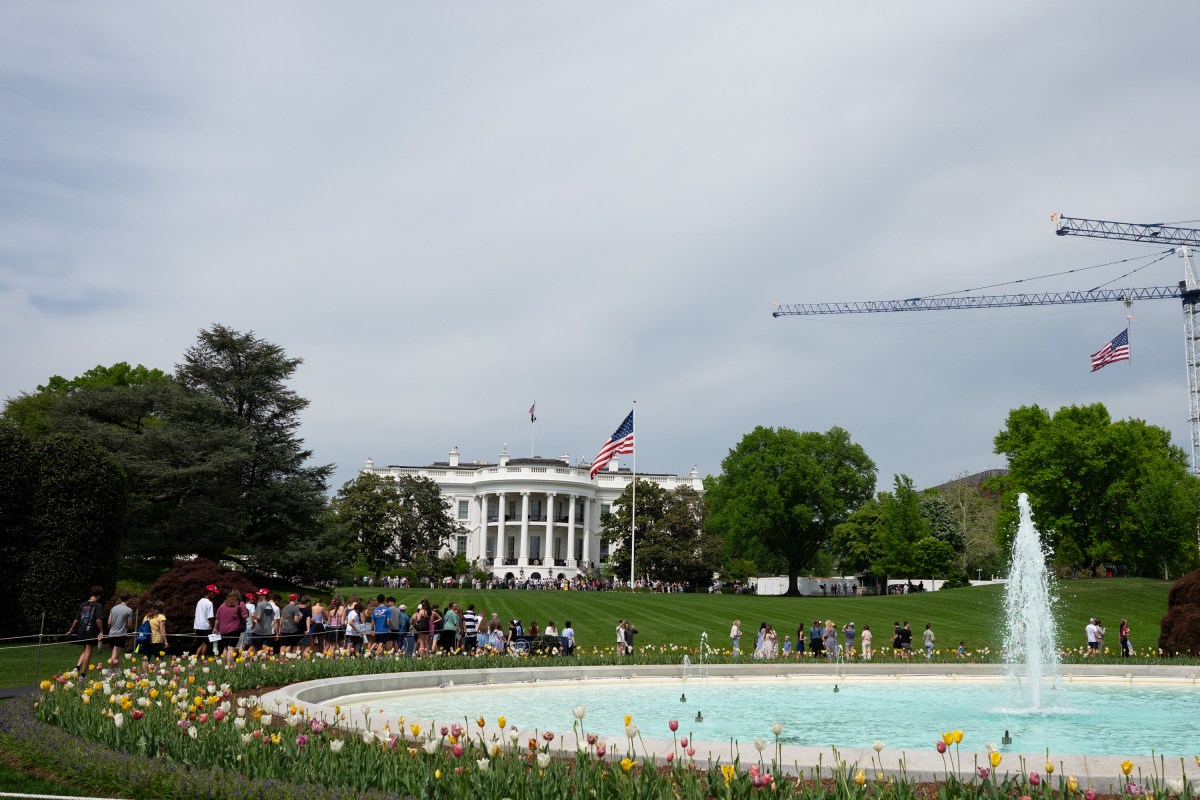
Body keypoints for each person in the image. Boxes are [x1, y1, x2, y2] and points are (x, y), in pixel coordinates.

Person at [66, 586, 105, 674]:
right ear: (99, 595)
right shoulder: (98, 605)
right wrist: (101, 631)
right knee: (88, 651)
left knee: (85, 650)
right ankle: (83, 675)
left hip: (81, 629)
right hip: (91, 630)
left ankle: (77, 668)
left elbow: (77, 619)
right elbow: (98, 620)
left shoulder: (83, 605)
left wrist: (71, 630)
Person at [213, 590, 247, 661]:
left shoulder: (222, 605)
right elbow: (244, 616)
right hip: (234, 630)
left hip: (223, 631)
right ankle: (230, 667)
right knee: (231, 648)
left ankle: (224, 666)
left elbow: (217, 620)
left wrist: (215, 629)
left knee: (225, 648)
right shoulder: (240, 604)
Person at [105, 592, 134, 665]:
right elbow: (129, 624)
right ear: (129, 599)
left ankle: (116, 669)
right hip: (120, 634)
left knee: (115, 653)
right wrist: (129, 628)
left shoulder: (113, 608)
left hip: (112, 633)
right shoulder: (129, 610)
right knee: (115, 654)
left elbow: (109, 622)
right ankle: (106, 668)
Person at [193, 584, 219, 657]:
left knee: (202, 643)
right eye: (214, 593)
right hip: (206, 627)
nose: (214, 595)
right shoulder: (209, 603)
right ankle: (202, 659)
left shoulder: (199, 601)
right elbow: (210, 618)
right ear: (209, 592)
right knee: (206, 643)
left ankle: (195, 657)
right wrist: (213, 628)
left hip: (198, 626)